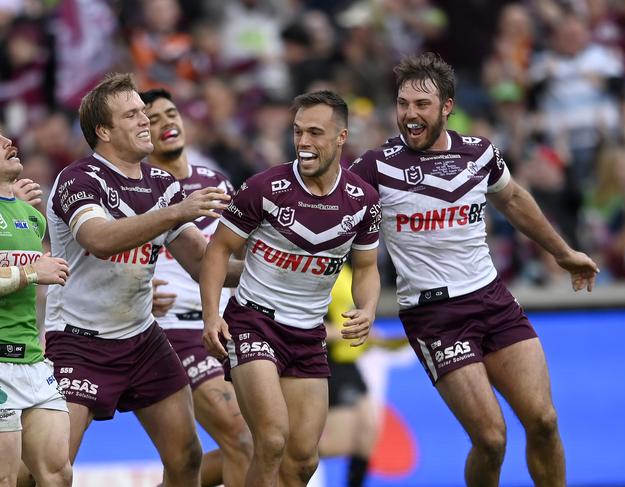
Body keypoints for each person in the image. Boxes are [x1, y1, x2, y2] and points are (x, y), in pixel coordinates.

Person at [350, 52, 599, 486]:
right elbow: (331, 215)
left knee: (543, 419)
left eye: (421, 105)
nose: (409, 113)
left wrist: (563, 252)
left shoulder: (479, 153)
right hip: (434, 317)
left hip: (493, 299)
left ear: (446, 106)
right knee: (491, 438)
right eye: (403, 103)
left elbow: (515, 200)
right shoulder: (375, 167)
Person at [42, 73, 232, 487]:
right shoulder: (79, 179)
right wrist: (176, 212)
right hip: (78, 341)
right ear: (104, 131)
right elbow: (100, 239)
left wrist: (279, 258)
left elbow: (203, 265)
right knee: (50, 473)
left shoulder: (161, 184)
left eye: (143, 113)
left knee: (186, 459)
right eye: (133, 115)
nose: (145, 121)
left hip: (143, 338)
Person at [200, 90, 383, 487]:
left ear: (341, 137)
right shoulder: (264, 187)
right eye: (298, 131)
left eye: (315, 132)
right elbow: (217, 251)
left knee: (302, 461)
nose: (303, 142)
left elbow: (367, 267)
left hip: (308, 333)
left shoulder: (363, 201)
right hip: (253, 323)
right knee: (271, 439)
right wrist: (212, 315)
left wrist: (367, 308)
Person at [141, 87, 253, 487]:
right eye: (151, 120)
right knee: (241, 438)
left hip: (227, 327)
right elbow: (99, 252)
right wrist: (131, 289)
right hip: (175, 331)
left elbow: (240, 256)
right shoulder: (136, 192)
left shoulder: (218, 183)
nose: (166, 123)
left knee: (260, 444)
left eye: (171, 113)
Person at [0, 131, 72, 487]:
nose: (7, 141)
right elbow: (35, 274)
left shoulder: (32, 218)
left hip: (31, 362)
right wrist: (31, 272)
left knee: (58, 474)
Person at [318, 264, 378, 487]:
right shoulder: (318, 266)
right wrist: (343, 332)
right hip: (329, 362)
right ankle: (274, 459)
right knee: (338, 442)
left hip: (349, 363)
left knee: (367, 434)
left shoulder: (348, 266)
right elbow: (304, 321)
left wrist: (368, 335)